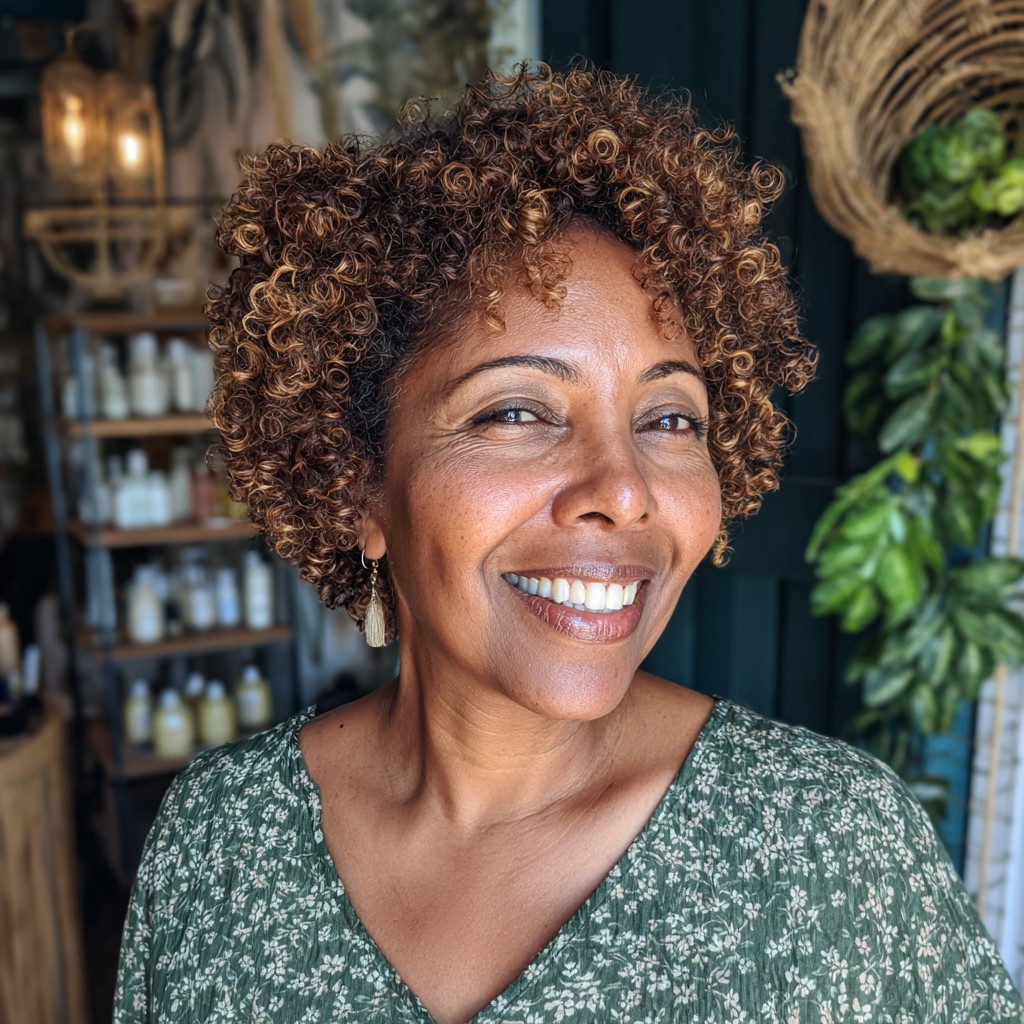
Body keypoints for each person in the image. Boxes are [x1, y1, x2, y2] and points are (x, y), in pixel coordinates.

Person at [114, 65, 1023, 1022]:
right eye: (518, 410)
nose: (624, 490)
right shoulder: (221, 843)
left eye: (671, 419)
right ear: (356, 484)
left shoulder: (827, 850)